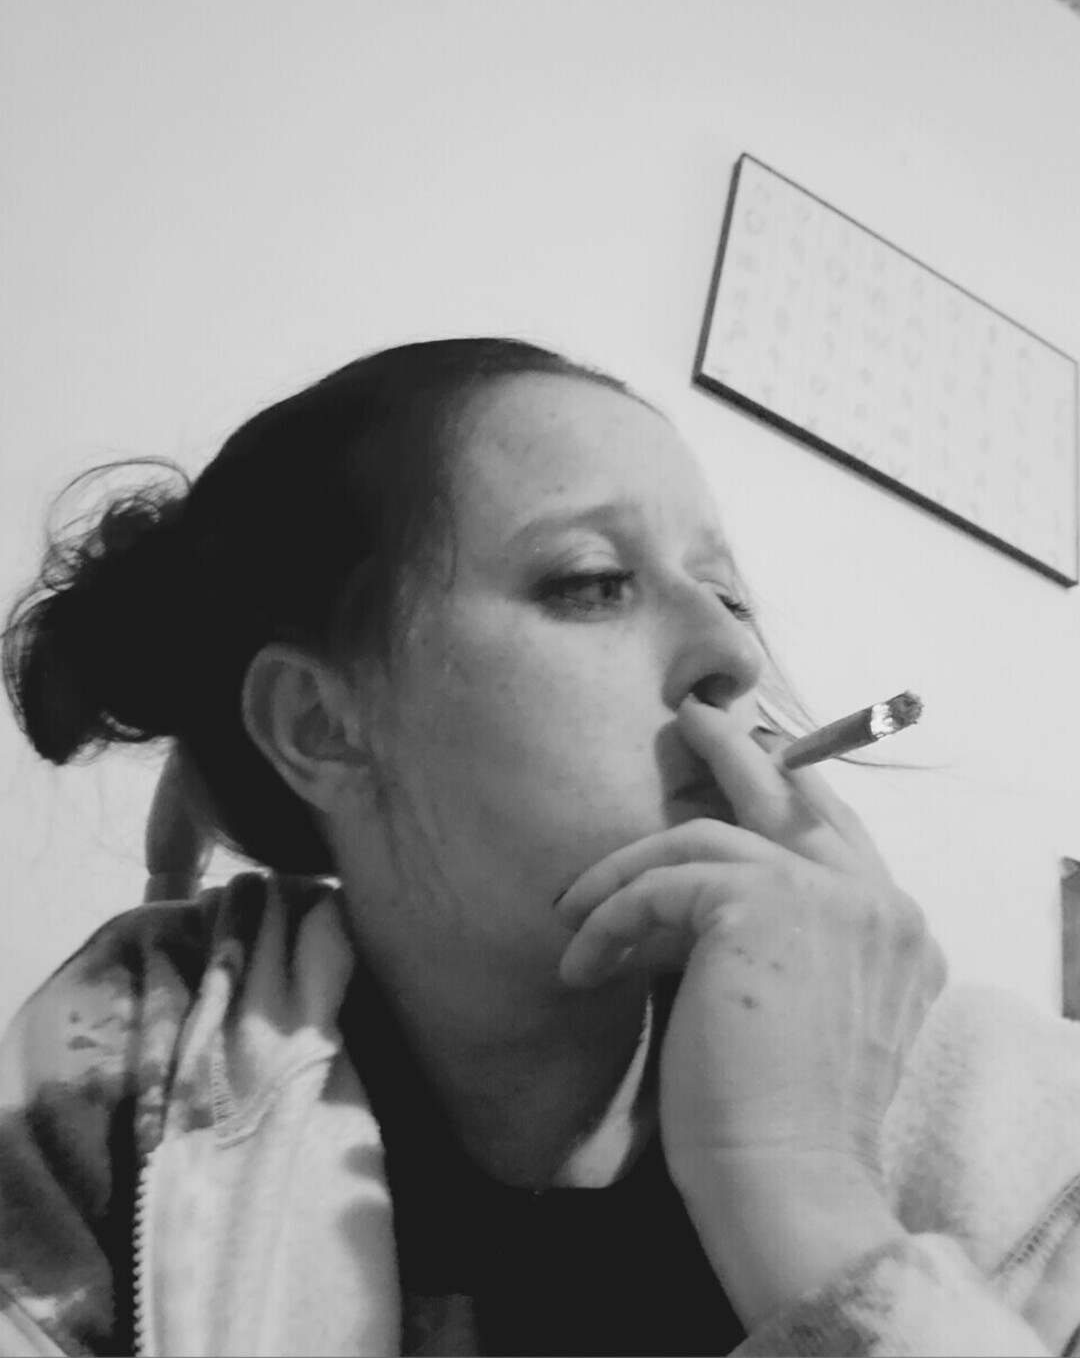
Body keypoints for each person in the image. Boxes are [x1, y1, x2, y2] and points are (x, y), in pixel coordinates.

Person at [0, 337, 1076, 1358]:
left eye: (728, 593)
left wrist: (805, 1186)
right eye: (593, 581)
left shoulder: (1012, 1120)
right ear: (323, 725)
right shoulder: (131, 1070)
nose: (734, 654)